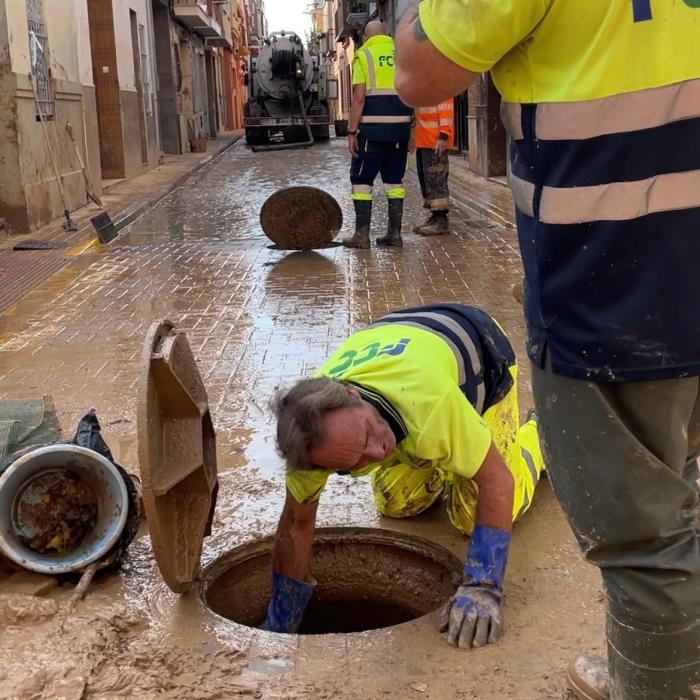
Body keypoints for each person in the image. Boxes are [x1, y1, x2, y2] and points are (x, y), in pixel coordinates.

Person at [394, 3, 700, 699]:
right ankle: (673, 659)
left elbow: (419, 68)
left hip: (623, 278)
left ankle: (655, 683)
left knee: (641, 534)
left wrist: (483, 579)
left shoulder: (428, 403)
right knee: (677, 488)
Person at [261, 304, 544, 649]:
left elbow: (497, 483)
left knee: (472, 515)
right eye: (351, 464)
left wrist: (483, 587)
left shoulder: (430, 402)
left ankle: (538, 436)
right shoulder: (309, 443)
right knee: (398, 503)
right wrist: (281, 621)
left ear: (352, 393)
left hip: (481, 348)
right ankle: (447, 453)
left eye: (367, 435)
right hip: (401, 349)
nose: (378, 455)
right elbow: (296, 526)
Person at [341, 20, 413, 249]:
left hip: (371, 133)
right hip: (400, 131)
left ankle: (362, 236)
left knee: (361, 181)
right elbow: (413, 91)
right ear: (387, 34)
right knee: (394, 182)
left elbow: (359, 98)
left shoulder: (363, 55)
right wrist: (412, 129)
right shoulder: (402, 54)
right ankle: (394, 235)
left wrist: (352, 132)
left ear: (364, 36)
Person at [413, 99, 454, 236]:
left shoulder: (440, 84)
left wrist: (443, 135)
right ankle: (435, 217)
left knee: (437, 180)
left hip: (435, 141)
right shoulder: (427, 85)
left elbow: (446, 110)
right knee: (428, 181)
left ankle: (441, 220)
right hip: (425, 139)